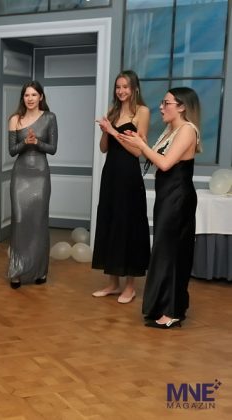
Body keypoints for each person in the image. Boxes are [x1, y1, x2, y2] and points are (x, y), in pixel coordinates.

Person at [117, 87, 201, 329]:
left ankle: (172, 311)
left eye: (166, 103)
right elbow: (155, 157)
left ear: (181, 106)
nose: (161, 107)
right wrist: (137, 142)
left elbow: (164, 164)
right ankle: (162, 306)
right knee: (164, 251)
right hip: (167, 197)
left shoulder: (187, 130)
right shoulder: (170, 130)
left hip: (178, 199)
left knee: (173, 252)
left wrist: (141, 145)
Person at [91, 71, 151, 304]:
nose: (121, 91)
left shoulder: (142, 112)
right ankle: (113, 283)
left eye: (125, 86)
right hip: (111, 174)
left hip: (129, 176)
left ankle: (130, 287)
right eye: (118, 87)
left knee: (128, 225)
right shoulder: (112, 111)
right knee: (111, 223)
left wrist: (114, 131)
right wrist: (105, 132)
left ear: (134, 88)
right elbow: (103, 148)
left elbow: (137, 151)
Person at [7, 81, 58, 289]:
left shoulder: (50, 118)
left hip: (40, 175)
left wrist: (37, 142)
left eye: (34, 95)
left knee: (38, 222)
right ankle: (17, 272)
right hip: (20, 175)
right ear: (23, 97)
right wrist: (24, 143)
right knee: (19, 221)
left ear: (41, 97)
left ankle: (39, 270)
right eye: (26, 95)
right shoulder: (15, 119)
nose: (30, 99)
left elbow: (53, 148)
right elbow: (12, 151)